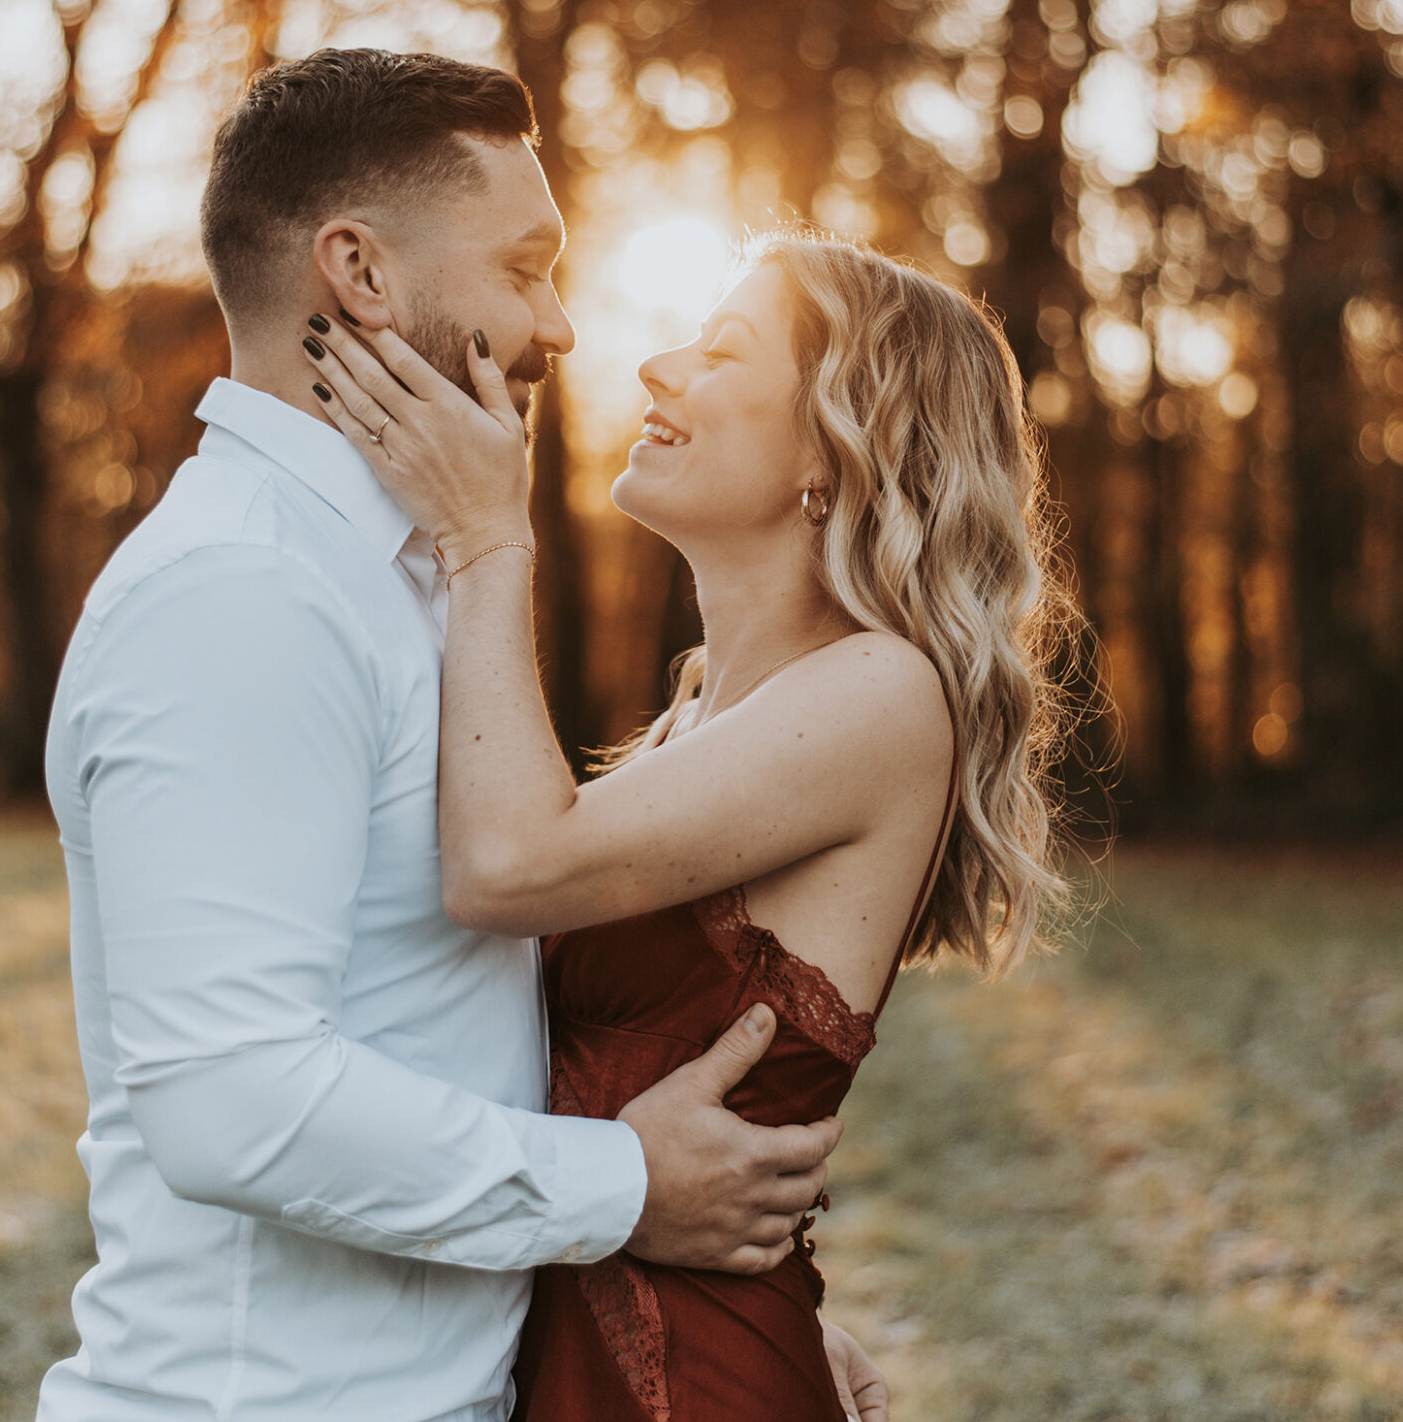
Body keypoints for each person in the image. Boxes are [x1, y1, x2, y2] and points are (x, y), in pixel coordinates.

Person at [36, 49, 889, 1422]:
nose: (560, 326)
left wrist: (730, 1311)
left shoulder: (416, 576)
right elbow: (230, 1098)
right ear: (362, 275)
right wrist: (625, 1189)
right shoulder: (243, 594)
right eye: (525, 268)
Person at [300, 228, 1089, 1420]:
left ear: (838, 437)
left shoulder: (882, 693)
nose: (657, 367)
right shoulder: (697, 709)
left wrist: (487, 536)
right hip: (578, 1349)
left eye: (720, 351)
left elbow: (505, 864)